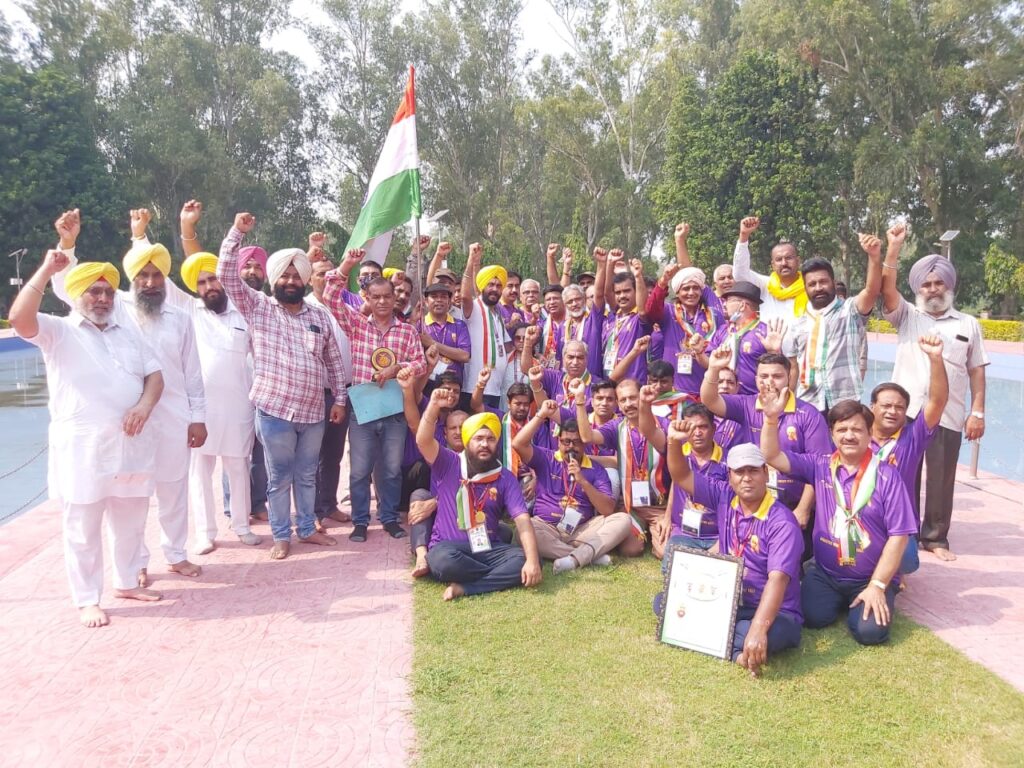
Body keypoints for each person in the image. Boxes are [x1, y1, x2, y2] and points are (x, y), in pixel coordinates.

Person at [9, 251, 165, 627]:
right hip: (83, 450)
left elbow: (155, 376)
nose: (103, 299)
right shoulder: (58, 331)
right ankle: (87, 599)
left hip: (130, 447)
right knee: (83, 527)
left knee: (130, 519)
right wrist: (47, 269)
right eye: (95, 291)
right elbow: (18, 319)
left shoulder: (128, 334)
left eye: (109, 293)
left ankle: (127, 581)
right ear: (78, 295)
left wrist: (144, 406)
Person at [53, 209, 207, 584]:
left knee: (173, 488)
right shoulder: (115, 304)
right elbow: (64, 287)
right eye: (144, 274)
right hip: (125, 421)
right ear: (133, 278)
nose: (151, 281)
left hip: (171, 416)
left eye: (157, 274)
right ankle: (135, 563)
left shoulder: (180, 317)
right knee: (129, 497)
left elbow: (192, 372)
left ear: (165, 278)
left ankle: (175, 553)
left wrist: (198, 416)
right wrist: (68, 244)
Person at [218, 213, 347, 560]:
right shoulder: (258, 307)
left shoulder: (319, 316)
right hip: (274, 411)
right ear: (275, 279)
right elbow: (226, 275)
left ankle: (306, 529)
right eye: (285, 275)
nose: (291, 280)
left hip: (312, 413)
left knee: (306, 475)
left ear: (305, 280)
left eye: (296, 275)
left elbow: (334, 361)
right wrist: (237, 233)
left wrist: (340, 399)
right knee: (279, 478)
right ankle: (280, 534)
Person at [760, 394, 917, 645]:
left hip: (869, 576)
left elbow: (899, 536)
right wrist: (770, 419)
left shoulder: (887, 476)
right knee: (813, 617)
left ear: (869, 434)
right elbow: (772, 456)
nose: (849, 435)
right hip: (826, 574)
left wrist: (877, 585)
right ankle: (840, 600)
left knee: (869, 633)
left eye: (857, 429)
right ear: (832, 435)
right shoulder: (819, 465)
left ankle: (881, 590)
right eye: (842, 429)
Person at [880, 224, 989, 561]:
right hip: (907, 413)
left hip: (950, 412)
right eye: (925, 284)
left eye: (938, 282)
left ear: (949, 285)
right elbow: (886, 290)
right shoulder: (907, 316)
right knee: (904, 474)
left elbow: (976, 369)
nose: (931, 288)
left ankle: (936, 538)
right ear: (918, 289)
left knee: (941, 478)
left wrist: (978, 411)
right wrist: (893, 248)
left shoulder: (967, 323)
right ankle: (906, 533)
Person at [664, 433, 803, 676]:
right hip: (729, 598)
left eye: (754, 471)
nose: (747, 478)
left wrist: (759, 628)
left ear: (766, 473)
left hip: (775, 611)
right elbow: (681, 475)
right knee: (663, 604)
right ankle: (737, 651)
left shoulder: (782, 522)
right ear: (730, 476)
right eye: (739, 472)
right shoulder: (724, 495)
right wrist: (674, 442)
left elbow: (777, 580)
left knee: (764, 632)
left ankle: (732, 641)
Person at [326, 250, 427, 542]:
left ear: (396, 299)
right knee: (360, 469)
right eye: (376, 297)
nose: (382, 302)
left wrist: (399, 367)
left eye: (387, 297)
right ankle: (360, 520)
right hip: (363, 407)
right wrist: (347, 264)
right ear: (367, 300)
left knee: (392, 469)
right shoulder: (356, 325)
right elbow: (332, 297)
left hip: (394, 408)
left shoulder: (407, 332)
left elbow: (420, 363)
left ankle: (389, 517)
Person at [179, 200, 269, 525]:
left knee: (239, 467)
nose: (208, 287)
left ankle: (242, 525)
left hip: (238, 407)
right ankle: (206, 532)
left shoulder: (245, 312)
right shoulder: (189, 310)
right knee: (200, 472)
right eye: (201, 283)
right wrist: (188, 228)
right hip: (200, 411)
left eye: (213, 280)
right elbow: (194, 260)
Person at [415, 391, 543, 601]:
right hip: (448, 548)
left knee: (525, 558)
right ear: (467, 441)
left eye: (491, 439)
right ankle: (497, 575)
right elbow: (423, 440)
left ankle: (467, 587)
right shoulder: (449, 463)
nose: (485, 444)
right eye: (479, 438)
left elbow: (522, 519)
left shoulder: (505, 477)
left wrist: (531, 561)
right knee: (442, 560)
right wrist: (434, 407)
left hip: (486, 548)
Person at [701, 348, 830, 538]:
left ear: (788, 377)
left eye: (777, 376)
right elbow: (710, 400)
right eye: (763, 376)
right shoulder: (747, 405)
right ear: (755, 379)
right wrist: (712, 369)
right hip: (755, 499)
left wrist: (803, 509)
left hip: (792, 504)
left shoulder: (809, 415)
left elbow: (819, 468)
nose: (769, 382)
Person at [512, 400, 631, 572]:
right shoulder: (547, 458)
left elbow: (607, 510)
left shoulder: (596, 469)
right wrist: (541, 415)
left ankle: (572, 558)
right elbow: (518, 444)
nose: (570, 447)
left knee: (622, 520)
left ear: (584, 444)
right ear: (558, 441)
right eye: (565, 442)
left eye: (576, 442)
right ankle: (586, 555)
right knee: (523, 530)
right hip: (546, 526)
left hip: (582, 530)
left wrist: (583, 480)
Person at [869, 335, 948, 574]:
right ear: (872, 406)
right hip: (861, 518)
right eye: (886, 405)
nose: (892, 411)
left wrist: (935, 359)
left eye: (899, 407)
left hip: (897, 524)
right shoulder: (855, 435)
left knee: (908, 563)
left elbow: (938, 400)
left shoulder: (912, 438)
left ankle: (889, 570)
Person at [783, 233, 883, 413]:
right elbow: (793, 369)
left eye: (823, 282)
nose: (818, 287)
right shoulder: (797, 324)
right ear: (805, 288)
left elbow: (872, 290)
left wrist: (874, 257)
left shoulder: (850, 311)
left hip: (845, 402)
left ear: (833, 283)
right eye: (812, 284)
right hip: (809, 403)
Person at [575, 377, 669, 558]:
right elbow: (587, 437)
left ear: (643, 396)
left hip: (660, 506)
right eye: (623, 400)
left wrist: (669, 515)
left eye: (633, 398)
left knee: (664, 553)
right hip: (629, 505)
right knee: (630, 550)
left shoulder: (664, 426)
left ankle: (656, 530)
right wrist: (580, 400)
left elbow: (677, 475)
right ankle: (640, 530)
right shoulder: (616, 427)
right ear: (618, 404)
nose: (628, 404)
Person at [643, 226, 725, 396]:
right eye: (685, 288)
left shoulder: (714, 315)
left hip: (706, 387)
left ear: (702, 290)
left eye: (696, 288)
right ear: (678, 292)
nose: (691, 293)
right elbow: (650, 310)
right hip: (674, 389)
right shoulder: (669, 312)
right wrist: (664, 280)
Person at [307, 255, 354, 528]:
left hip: (343, 393)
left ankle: (329, 504)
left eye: (330, 273)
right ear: (310, 278)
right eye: (319, 274)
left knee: (334, 454)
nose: (325, 278)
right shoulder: (304, 307)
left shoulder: (344, 305)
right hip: (315, 393)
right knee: (310, 456)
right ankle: (312, 512)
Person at [708, 280, 785, 395]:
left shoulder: (765, 332)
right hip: (723, 399)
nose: (724, 304)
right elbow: (709, 362)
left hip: (754, 399)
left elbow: (779, 370)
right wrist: (699, 353)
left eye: (729, 300)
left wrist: (774, 352)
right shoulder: (723, 330)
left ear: (742, 305)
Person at [459, 244, 512, 408]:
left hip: (495, 389)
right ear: (482, 286)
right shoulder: (474, 307)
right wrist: (471, 261)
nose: (495, 289)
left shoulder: (499, 315)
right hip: (473, 387)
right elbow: (464, 296)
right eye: (490, 284)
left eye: (498, 286)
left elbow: (507, 346)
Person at [732, 216, 808, 321]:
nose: (784, 263)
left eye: (788, 258)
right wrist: (744, 236)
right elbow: (740, 274)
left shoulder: (810, 286)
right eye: (779, 259)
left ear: (798, 261)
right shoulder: (766, 285)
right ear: (772, 264)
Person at [600, 254, 653, 383]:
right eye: (618, 292)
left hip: (633, 384)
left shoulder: (639, 319)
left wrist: (638, 276)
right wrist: (609, 263)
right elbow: (607, 293)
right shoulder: (612, 318)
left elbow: (642, 307)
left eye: (627, 291)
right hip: (610, 382)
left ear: (636, 291)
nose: (622, 296)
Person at [419, 282, 470, 392]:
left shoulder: (459, 325)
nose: (439, 300)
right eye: (434, 296)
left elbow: (465, 356)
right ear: (426, 301)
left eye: (443, 297)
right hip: (427, 387)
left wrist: (432, 343)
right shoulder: (420, 326)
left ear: (449, 301)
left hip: (453, 388)